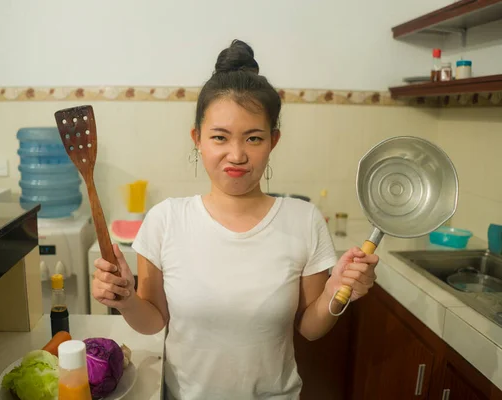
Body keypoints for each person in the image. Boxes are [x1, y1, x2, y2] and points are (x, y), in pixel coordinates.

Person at [92, 39, 379, 400]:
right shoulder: (166, 219)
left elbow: (310, 328)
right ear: (198, 139)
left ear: (273, 141)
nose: (237, 154)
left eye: (254, 138)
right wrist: (124, 299)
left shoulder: (303, 220)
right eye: (220, 137)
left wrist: (341, 291)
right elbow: (152, 321)